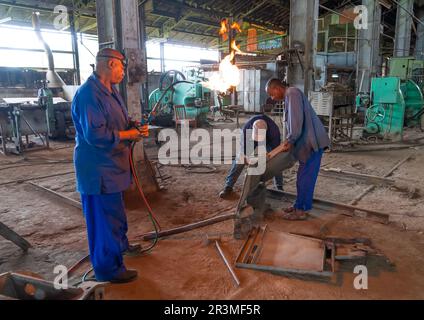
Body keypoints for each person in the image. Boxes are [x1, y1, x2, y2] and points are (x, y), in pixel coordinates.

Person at [71, 48, 148, 283]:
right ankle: (108, 270)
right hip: (98, 171)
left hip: (113, 166)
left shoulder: (111, 91)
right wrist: (129, 134)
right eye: (122, 67)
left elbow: (119, 121)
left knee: (115, 213)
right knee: (104, 221)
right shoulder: (88, 95)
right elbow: (96, 136)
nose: (124, 72)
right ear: (110, 64)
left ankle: (121, 246)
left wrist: (133, 126)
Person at [265, 78, 330, 220]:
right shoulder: (290, 95)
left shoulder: (292, 94)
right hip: (306, 145)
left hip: (312, 144)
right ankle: (298, 205)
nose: (272, 97)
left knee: (305, 179)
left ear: (277, 88)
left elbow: (296, 122)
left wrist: (290, 140)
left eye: (271, 94)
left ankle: (301, 211)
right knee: (302, 177)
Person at [219, 113, 284, 199]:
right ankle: (228, 187)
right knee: (240, 159)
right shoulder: (247, 129)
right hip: (250, 140)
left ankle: (279, 187)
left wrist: (265, 159)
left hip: (268, 142)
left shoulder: (274, 131)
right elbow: (245, 153)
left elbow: (275, 151)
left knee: (276, 160)